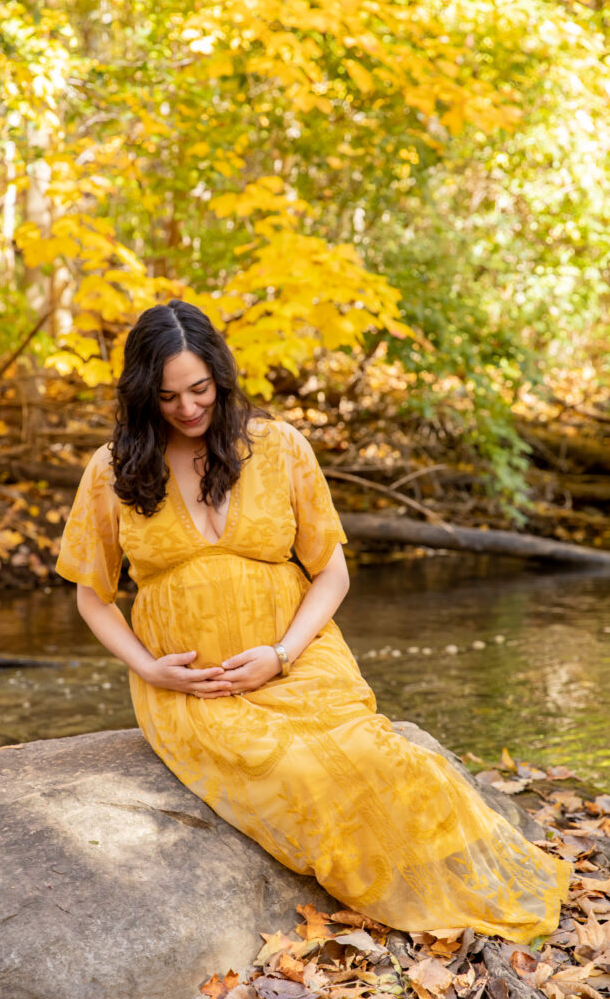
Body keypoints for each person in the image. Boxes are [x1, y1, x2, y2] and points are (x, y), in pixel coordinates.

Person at [56, 300, 570, 943]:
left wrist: (283, 652)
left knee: (380, 754)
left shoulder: (278, 447)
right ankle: (392, 901)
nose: (187, 409)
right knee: (296, 770)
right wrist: (150, 670)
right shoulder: (113, 470)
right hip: (196, 685)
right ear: (141, 395)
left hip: (298, 654)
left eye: (200, 390)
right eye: (166, 397)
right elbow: (92, 596)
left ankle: (444, 895)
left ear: (220, 376)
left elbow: (332, 572)